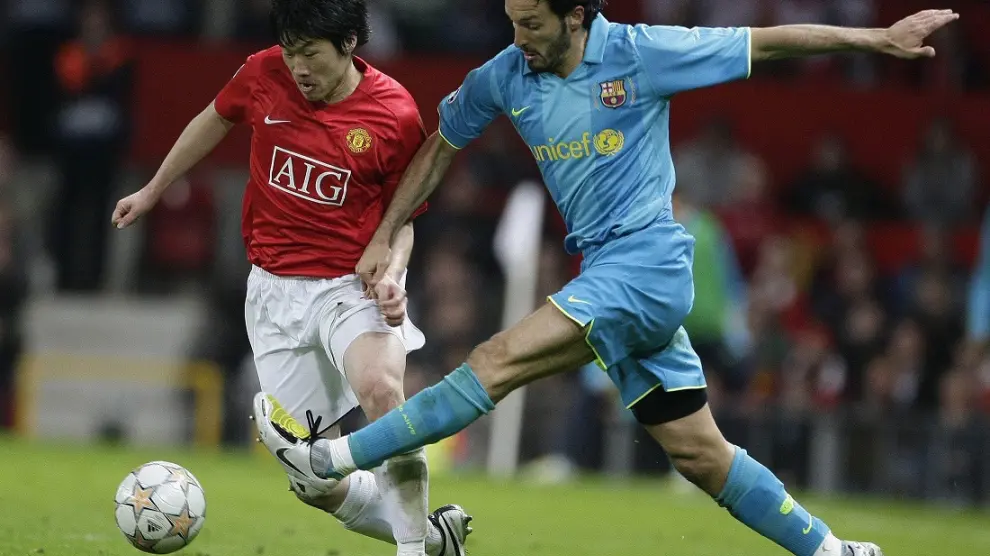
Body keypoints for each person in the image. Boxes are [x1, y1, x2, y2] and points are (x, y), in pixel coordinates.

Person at [289, 2, 961, 556]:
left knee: (495, 361)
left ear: (576, 16)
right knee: (701, 456)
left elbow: (765, 43)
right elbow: (441, 146)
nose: (518, 38)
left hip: (647, 267)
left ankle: (331, 460)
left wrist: (878, 38)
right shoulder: (506, 74)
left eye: (532, 24)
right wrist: (385, 234)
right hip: (608, 275)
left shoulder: (641, 53)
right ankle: (833, 550)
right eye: (512, 22)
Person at [109, 2, 472, 556]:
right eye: (290, 51)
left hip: (349, 286)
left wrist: (394, 274)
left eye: (310, 53)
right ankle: (433, 541)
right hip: (272, 292)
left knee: (382, 391)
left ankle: (411, 551)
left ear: (349, 43)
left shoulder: (393, 113)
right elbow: (214, 117)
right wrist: (153, 190)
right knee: (313, 482)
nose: (298, 67)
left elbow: (403, 219)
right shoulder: (264, 72)